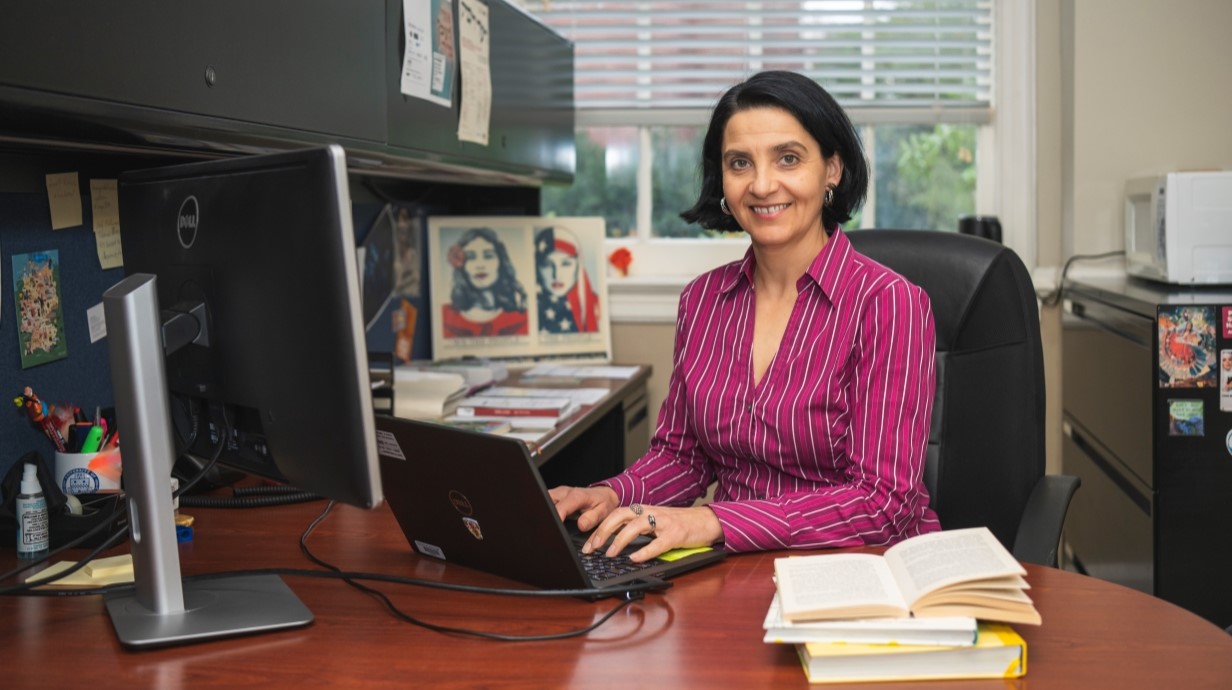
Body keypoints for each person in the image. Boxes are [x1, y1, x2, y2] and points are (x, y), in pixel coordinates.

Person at [550, 70, 940, 562]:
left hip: (859, 573)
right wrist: (612, 495)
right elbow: (682, 457)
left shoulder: (890, 304)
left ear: (832, 169)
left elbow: (884, 503)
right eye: (740, 163)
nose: (760, 184)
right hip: (734, 567)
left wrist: (714, 520)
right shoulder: (703, 301)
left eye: (788, 158)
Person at [441, 227, 529, 337]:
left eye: (488, 256)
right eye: (470, 257)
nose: (480, 265)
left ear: (501, 262)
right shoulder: (444, 317)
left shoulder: (522, 318)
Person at [535, 225, 601, 334]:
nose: (556, 275)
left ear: (578, 266)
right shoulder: (522, 311)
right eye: (547, 264)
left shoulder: (597, 306)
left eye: (566, 264)